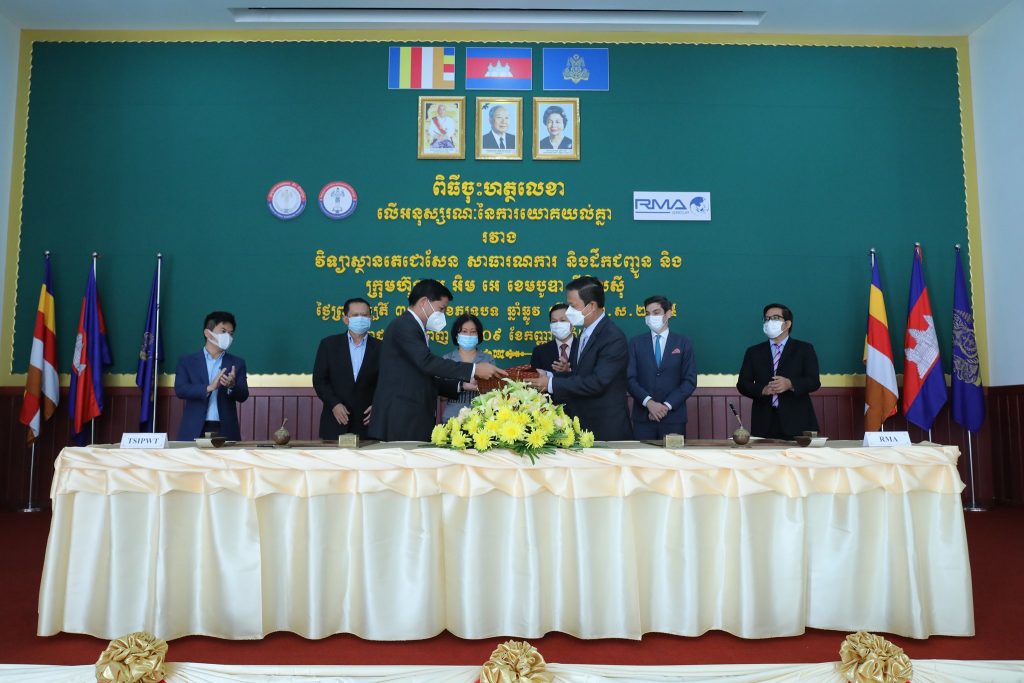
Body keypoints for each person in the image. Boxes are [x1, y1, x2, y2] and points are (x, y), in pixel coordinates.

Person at [369, 279, 506, 441]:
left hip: (410, 418)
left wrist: (462, 385)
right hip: (401, 419)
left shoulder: (415, 328)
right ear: (424, 302)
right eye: (441, 308)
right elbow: (426, 362)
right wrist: (474, 369)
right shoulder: (405, 325)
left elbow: (422, 376)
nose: (443, 314)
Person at [526, 276, 631, 441]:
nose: (569, 312)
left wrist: (551, 384)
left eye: (573, 306)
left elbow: (597, 382)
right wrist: (549, 375)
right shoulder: (586, 332)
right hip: (584, 425)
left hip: (605, 428)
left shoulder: (612, 337)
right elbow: (580, 375)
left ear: (591, 306)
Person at [736, 303, 821, 439]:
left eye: (775, 318)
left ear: (787, 324)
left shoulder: (804, 349)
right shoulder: (754, 352)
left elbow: (814, 381)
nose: (769, 322)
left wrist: (790, 384)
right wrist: (763, 389)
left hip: (797, 422)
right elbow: (742, 384)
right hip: (764, 423)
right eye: (766, 319)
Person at [627, 295, 697, 439]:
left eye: (656, 312)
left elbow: (689, 381)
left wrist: (666, 406)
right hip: (643, 418)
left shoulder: (683, 343)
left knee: (673, 455)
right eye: (648, 313)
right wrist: (649, 403)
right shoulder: (635, 343)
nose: (651, 317)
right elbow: (630, 379)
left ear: (668, 314)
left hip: (674, 418)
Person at [312, 297, 381, 440]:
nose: (360, 319)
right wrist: (334, 404)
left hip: (369, 424)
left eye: (365, 315)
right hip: (335, 422)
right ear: (345, 319)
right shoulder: (328, 345)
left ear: (371, 319)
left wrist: (378, 405)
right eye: (355, 315)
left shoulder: (382, 348)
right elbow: (319, 380)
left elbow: (388, 382)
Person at [174, 311, 249, 441]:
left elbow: (243, 395)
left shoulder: (237, 363)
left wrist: (232, 386)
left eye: (231, 334)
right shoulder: (187, 362)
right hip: (194, 428)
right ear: (208, 333)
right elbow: (180, 390)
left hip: (226, 429)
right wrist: (208, 388)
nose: (228, 337)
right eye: (223, 331)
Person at [438, 314, 495, 421]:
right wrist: (462, 386)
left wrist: (480, 384)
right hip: (451, 418)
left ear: (478, 335)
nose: (469, 335)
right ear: (456, 335)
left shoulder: (487, 360)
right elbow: (441, 396)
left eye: (473, 332)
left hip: (481, 418)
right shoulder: (447, 359)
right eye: (464, 331)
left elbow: (493, 392)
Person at [530, 303, 573, 374]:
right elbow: (535, 378)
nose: (558, 324)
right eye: (554, 321)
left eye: (562, 320)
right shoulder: (539, 352)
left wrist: (569, 371)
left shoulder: (583, 348)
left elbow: (590, 376)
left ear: (572, 323)